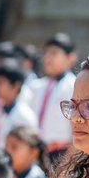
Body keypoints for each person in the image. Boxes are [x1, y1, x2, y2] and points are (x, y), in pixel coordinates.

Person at [33, 33, 79, 170]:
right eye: (46, 53)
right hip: (38, 152)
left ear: (70, 58)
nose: (48, 58)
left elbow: (75, 124)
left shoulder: (73, 85)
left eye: (54, 53)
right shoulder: (39, 86)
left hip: (61, 153)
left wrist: (69, 160)